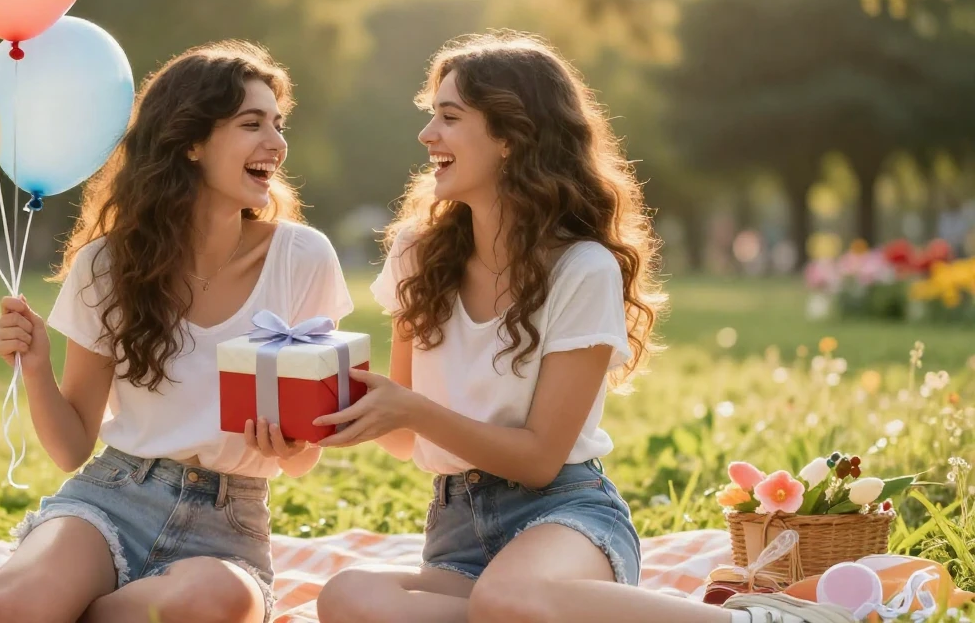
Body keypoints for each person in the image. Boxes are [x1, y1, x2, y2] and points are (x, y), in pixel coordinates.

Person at [314, 32, 853, 623]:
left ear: (510, 137)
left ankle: (760, 621)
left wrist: (411, 410)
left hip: (563, 517)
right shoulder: (420, 253)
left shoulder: (582, 268)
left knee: (509, 598)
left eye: (448, 117)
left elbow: (540, 458)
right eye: (430, 116)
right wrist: (331, 415)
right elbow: (404, 437)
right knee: (347, 596)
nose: (426, 135)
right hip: (457, 532)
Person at [0, 41, 353, 623]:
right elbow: (73, 446)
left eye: (278, 126)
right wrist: (35, 366)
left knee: (219, 603)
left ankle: (62, 608)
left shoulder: (302, 258)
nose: (276, 144)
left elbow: (303, 459)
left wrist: (293, 445)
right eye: (252, 124)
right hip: (111, 500)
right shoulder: (107, 265)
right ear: (191, 142)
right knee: (13, 606)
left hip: (229, 526)